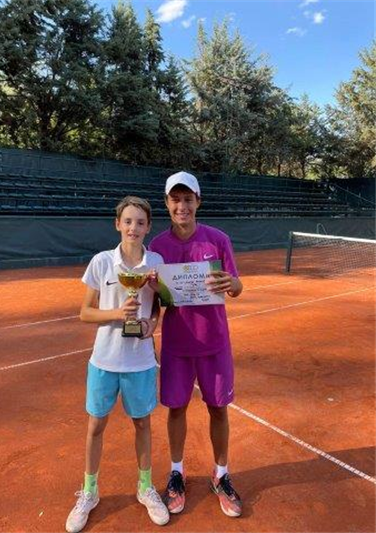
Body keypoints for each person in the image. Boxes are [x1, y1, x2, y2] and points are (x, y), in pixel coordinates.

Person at [66, 196, 169, 533]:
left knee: (142, 424)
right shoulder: (101, 262)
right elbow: (85, 312)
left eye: (140, 222)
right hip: (104, 360)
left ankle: (145, 487)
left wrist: (152, 322)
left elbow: (160, 304)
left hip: (140, 361)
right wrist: (117, 313)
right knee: (96, 426)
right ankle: (90, 491)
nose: (133, 228)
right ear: (117, 224)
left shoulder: (156, 262)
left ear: (148, 227)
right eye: (127, 221)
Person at [148, 172, 243, 518]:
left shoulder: (218, 239)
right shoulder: (157, 247)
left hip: (214, 343)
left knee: (219, 408)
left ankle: (221, 474)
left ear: (198, 202)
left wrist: (230, 282)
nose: (182, 206)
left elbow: (237, 287)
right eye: (175, 199)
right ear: (167, 204)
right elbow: (154, 299)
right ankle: (177, 472)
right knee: (176, 408)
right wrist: (151, 305)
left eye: (188, 199)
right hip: (177, 345)